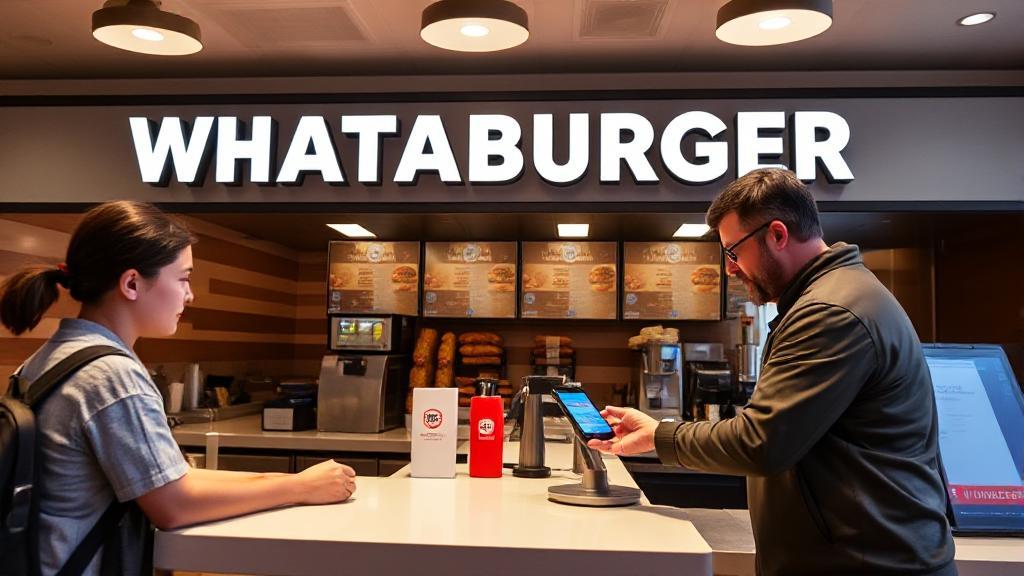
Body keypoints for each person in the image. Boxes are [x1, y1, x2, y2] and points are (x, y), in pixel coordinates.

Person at [589, 168, 956, 575]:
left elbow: (760, 441)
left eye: (733, 251)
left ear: (778, 234)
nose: (729, 268)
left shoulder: (831, 311)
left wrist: (661, 436)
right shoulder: (834, 296)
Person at [0, 201, 356, 575]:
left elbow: (168, 478)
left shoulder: (52, 358)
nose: (190, 296)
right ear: (132, 283)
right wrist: (298, 489)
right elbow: (174, 504)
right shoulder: (110, 375)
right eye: (183, 278)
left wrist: (290, 480)